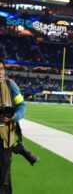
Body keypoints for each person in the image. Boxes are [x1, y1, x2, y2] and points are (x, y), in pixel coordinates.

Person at [0, 58, 26, 194]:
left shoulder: (11, 85)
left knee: (4, 178)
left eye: (1, 69)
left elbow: (21, 106)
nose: (0, 72)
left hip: (5, 139)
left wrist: (14, 116)